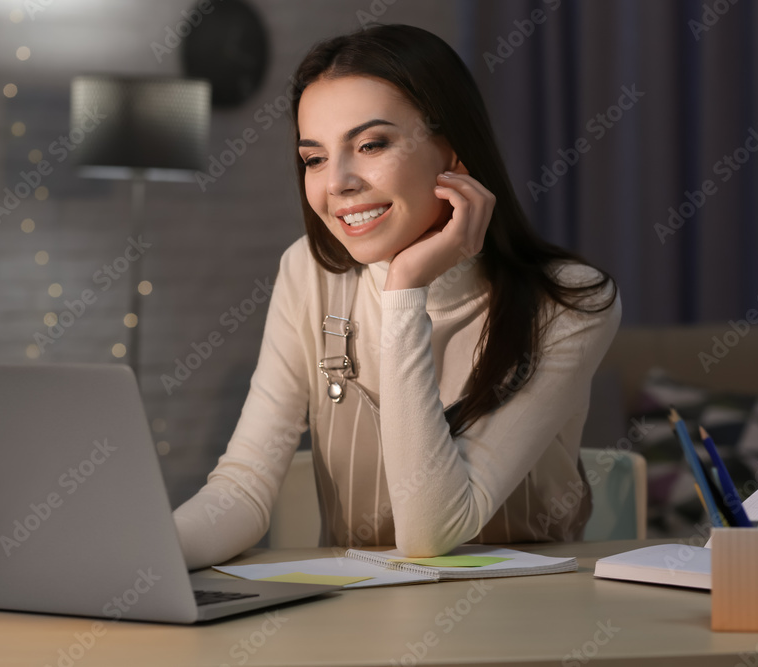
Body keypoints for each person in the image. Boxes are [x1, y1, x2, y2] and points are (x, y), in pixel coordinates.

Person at [173, 23, 621, 570]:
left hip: (526, 622)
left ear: (452, 151)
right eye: (314, 158)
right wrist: (144, 558)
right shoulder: (308, 273)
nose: (337, 182)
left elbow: (431, 535)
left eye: (370, 145)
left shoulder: (571, 303)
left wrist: (405, 288)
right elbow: (243, 489)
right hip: (357, 624)